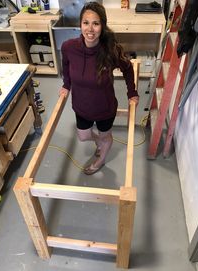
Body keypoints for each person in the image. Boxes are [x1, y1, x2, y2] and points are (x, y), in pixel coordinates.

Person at [59, 1, 139, 175]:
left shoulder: (110, 50)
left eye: (96, 23)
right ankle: (102, 143)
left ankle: (100, 160)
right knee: (83, 136)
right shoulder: (69, 47)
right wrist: (66, 84)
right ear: (80, 24)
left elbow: (127, 68)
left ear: (102, 26)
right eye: (86, 23)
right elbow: (65, 65)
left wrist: (132, 92)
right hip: (81, 106)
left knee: (105, 136)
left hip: (105, 108)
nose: (90, 29)